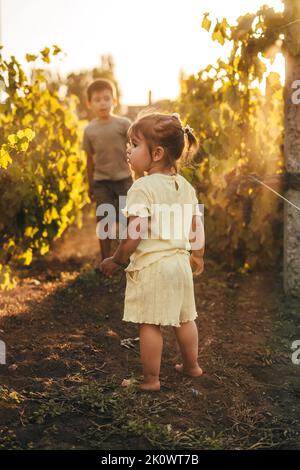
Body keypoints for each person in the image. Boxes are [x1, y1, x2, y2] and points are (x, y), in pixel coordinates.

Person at [100, 112, 205, 391]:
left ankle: (151, 379)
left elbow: (135, 232)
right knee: (185, 318)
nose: (128, 150)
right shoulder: (186, 187)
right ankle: (192, 366)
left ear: (156, 153)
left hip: (153, 267)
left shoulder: (142, 187)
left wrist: (117, 259)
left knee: (149, 323)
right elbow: (196, 224)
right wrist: (197, 255)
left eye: (134, 145)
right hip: (180, 264)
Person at [82, 78, 133, 266]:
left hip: (124, 179)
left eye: (106, 98)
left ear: (115, 101)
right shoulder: (89, 130)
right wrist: (90, 185)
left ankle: (130, 257)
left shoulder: (123, 124)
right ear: (89, 104)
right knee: (105, 220)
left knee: (128, 218)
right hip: (101, 181)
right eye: (97, 100)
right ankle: (106, 260)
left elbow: (136, 148)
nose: (102, 103)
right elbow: (89, 159)